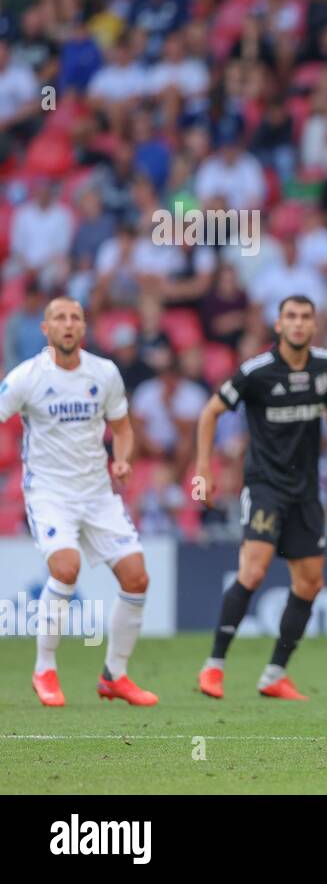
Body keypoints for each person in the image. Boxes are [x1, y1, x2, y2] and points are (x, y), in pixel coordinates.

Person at [192, 295, 327, 700]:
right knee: (253, 571)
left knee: (310, 583)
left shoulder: (324, 366)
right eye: (291, 317)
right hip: (265, 486)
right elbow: (209, 412)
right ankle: (213, 666)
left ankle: (274, 674)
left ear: (313, 323)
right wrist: (204, 468)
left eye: (306, 316)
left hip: (305, 492)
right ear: (278, 324)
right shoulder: (257, 372)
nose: (299, 324)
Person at [0, 297, 158, 707]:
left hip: (97, 493)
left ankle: (115, 676)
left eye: (75, 318)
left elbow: (122, 429)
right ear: (45, 328)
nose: (67, 325)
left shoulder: (103, 373)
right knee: (65, 568)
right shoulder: (25, 378)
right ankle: (44, 669)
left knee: (137, 578)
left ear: (84, 328)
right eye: (59, 318)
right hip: (50, 493)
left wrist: (122, 460)